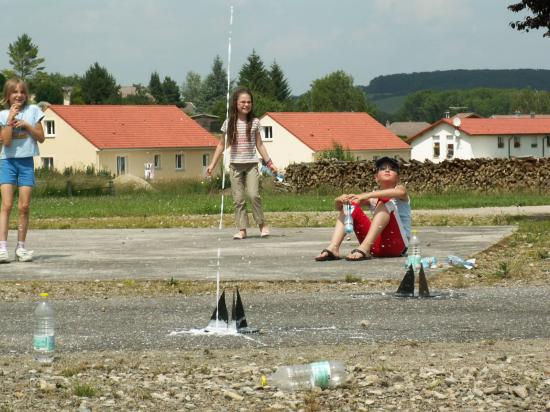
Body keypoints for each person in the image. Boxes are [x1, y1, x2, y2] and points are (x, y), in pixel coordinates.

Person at [206, 87, 278, 240]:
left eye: (249, 102)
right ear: (236, 103)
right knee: (238, 199)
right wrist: (212, 164)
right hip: (235, 166)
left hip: (251, 164)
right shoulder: (229, 123)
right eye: (243, 102)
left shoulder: (255, 122)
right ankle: (242, 229)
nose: (246, 104)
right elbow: (221, 145)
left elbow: (260, 145)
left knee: (253, 195)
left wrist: (269, 162)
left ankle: (262, 225)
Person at [315, 156, 411, 261]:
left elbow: (401, 193)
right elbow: (344, 208)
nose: (387, 170)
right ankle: (334, 247)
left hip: (396, 246)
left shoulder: (399, 189)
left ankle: (364, 248)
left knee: (384, 202)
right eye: (382, 168)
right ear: (376, 177)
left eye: (392, 168)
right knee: (350, 205)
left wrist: (366, 195)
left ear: (398, 178)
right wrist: (339, 201)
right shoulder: (372, 196)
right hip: (375, 247)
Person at [0, 78, 45, 263]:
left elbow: (41, 137)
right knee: (7, 205)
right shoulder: (2, 115)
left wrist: (27, 125)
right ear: (8, 96)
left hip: (26, 162)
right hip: (7, 162)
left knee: (24, 207)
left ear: (26, 94)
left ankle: (21, 247)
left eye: (21, 92)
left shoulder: (34, 111)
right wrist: (10, 120)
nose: (18, 95)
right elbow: (7, 142)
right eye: (14, 92)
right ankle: (2, 248)